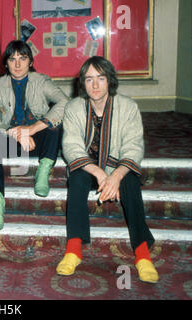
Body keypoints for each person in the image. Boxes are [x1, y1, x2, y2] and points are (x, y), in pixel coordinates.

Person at [57, 56, 159, 283]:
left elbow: (133, 147)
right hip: (88, 169)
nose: (95, 85)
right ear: (82, 83)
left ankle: (142, 252)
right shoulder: (73, 107)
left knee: (131, 181)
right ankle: (74, 248)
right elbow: (71, 147)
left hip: (117, 167)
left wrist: (115, 176)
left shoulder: (128, 107)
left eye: (100, 79)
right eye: (89, 79)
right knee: (77, 179)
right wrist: (100, 174)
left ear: (109, 80)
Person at [0, 40, 69, 230]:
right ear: (6, 63)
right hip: (13, 140)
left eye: (23, 59)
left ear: (30, 61)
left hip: (38, 140)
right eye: (12, 59)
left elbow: (65, 103)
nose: (18, 64)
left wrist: (33, 129)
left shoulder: (41, 81)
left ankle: (44, 170)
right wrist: (17, 134)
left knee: (55, 124)